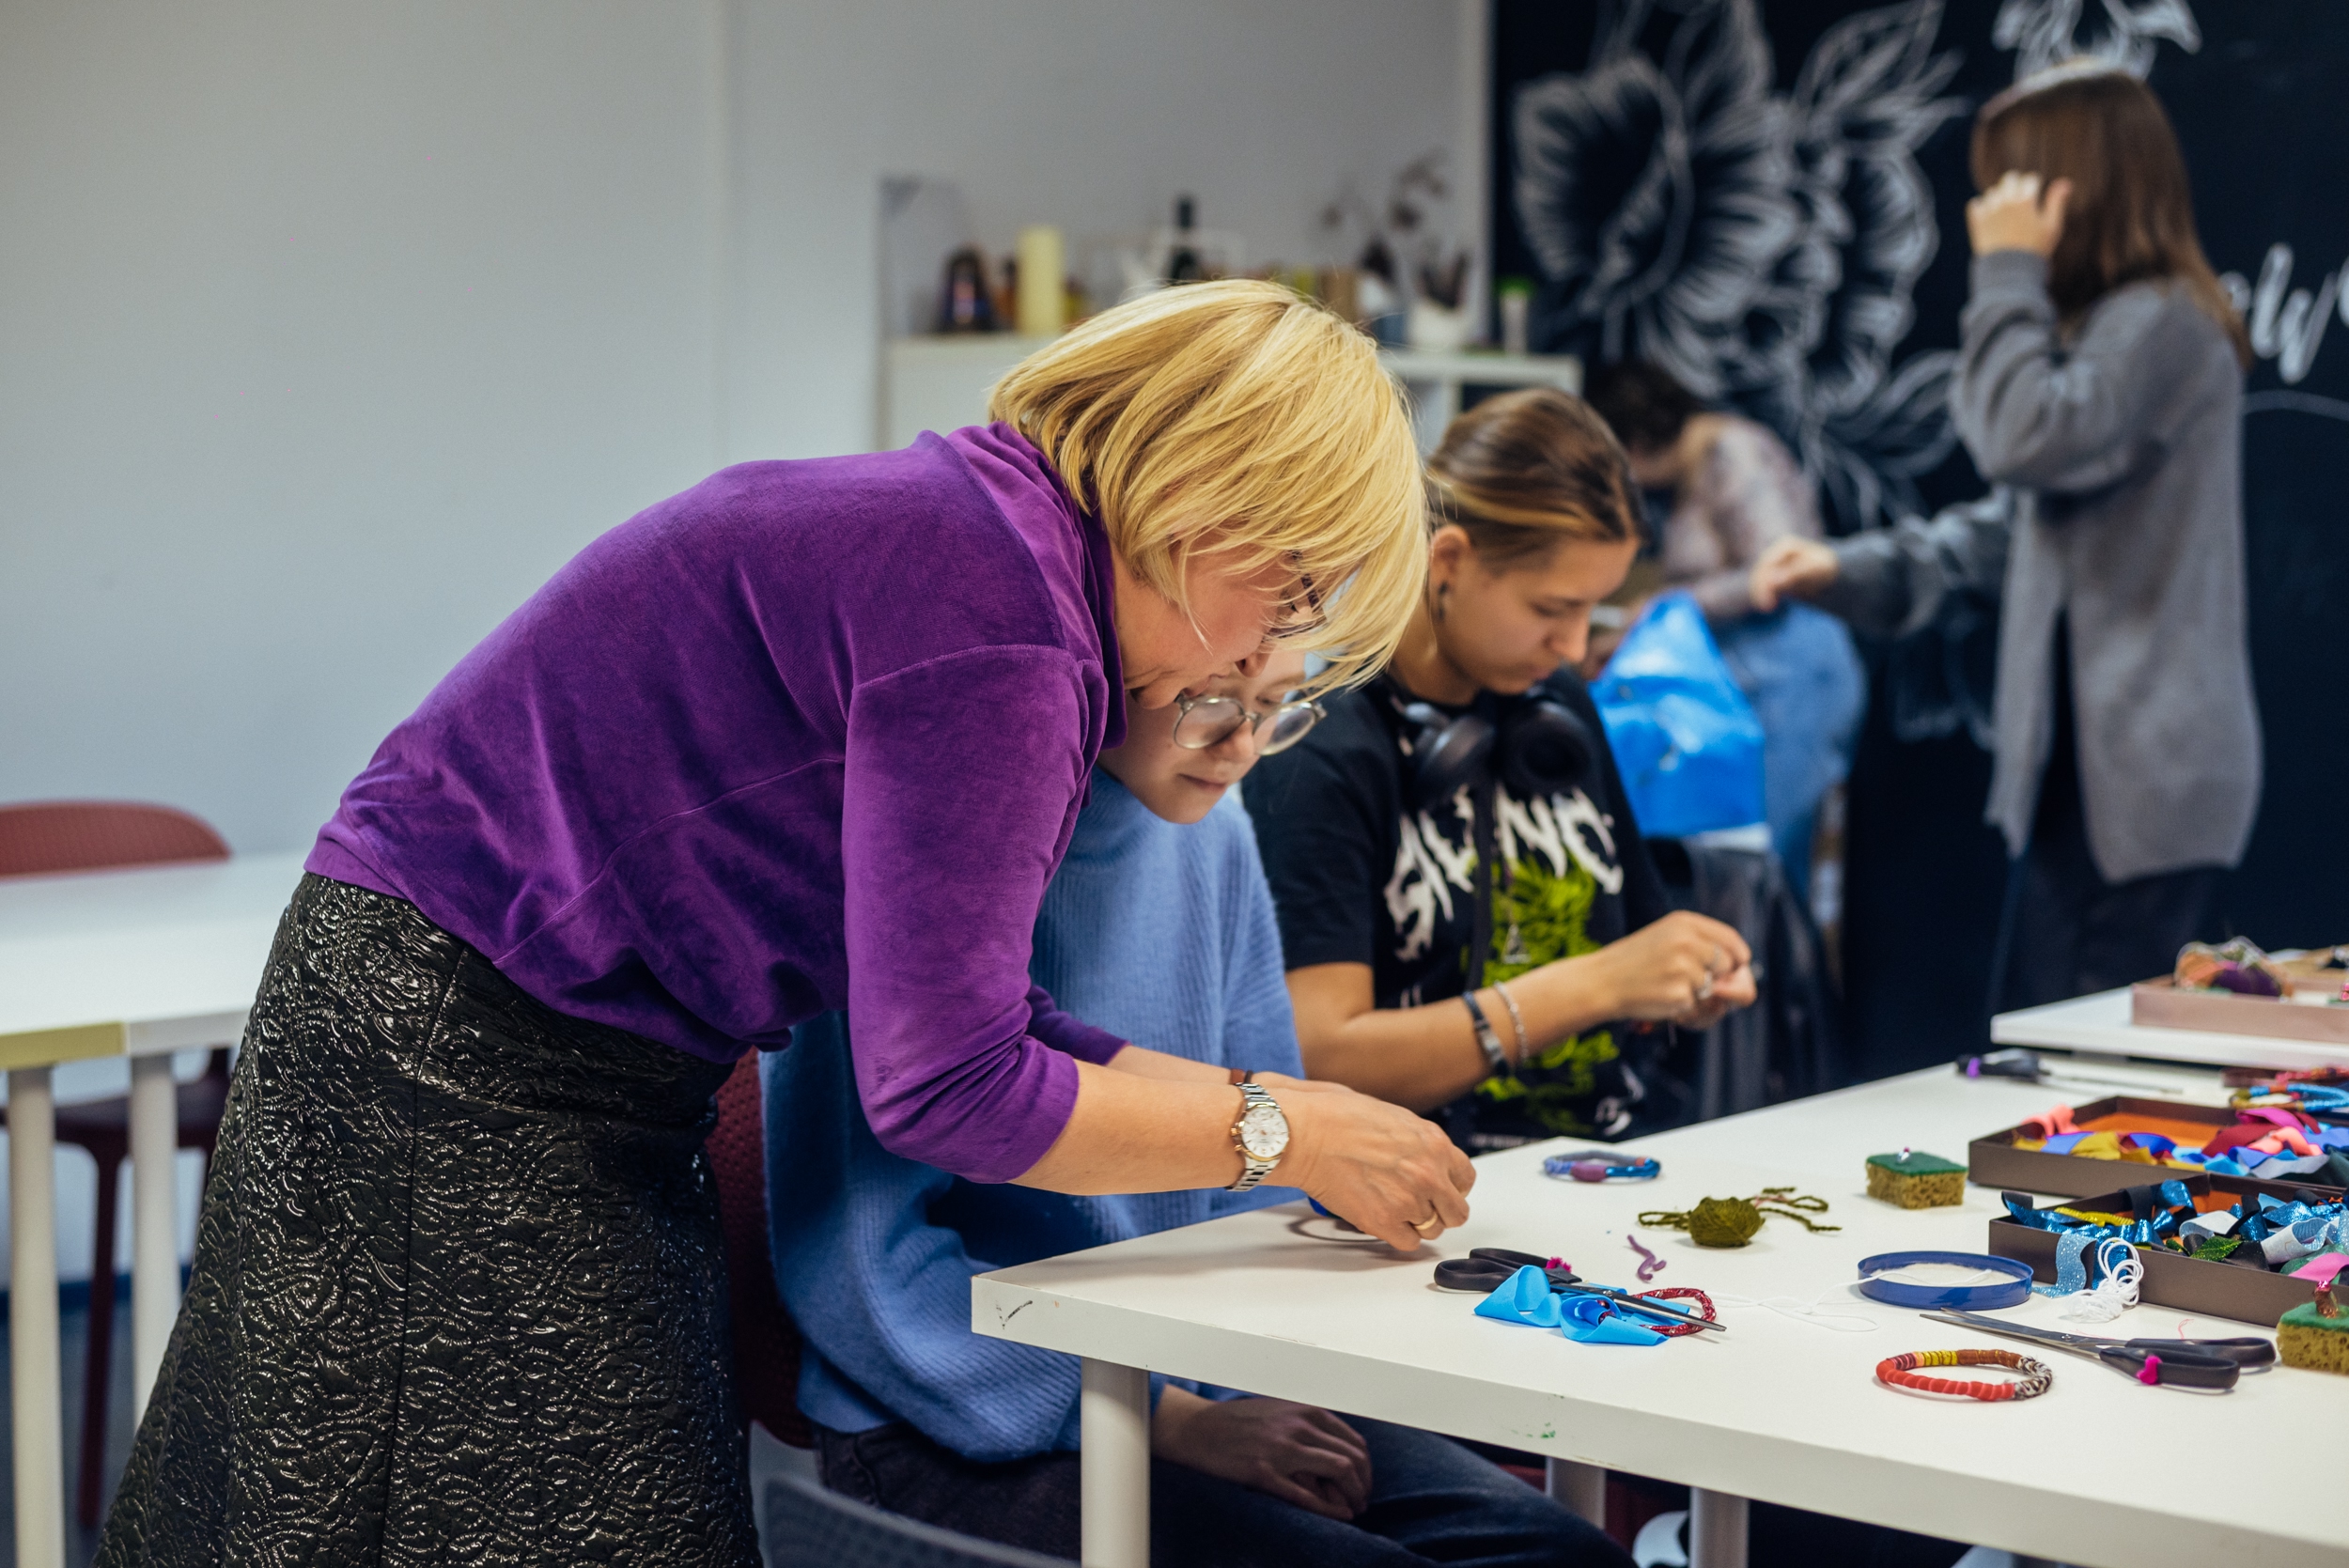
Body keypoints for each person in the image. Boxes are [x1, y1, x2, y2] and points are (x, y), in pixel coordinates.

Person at [98, 281, 1479, 1567]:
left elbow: (989, 1019)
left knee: (598, 1502)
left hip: (528, 1034)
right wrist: (1281, 1132)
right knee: (460, 1506)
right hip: (456, 1044)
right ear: (1204, 504)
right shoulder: (1009, 628)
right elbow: (951, 1089)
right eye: (1292, 593)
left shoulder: (1001, 548)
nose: (1271, 654)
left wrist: (1281, 1108)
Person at [766, 648, 1629, 1568]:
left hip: (1193, 1377)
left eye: (1276, 705)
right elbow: (858, 1274)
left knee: (1565, 1555)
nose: (1243, 746)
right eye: (1210, 701)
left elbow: (1262, 1175)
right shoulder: (927, 842)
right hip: (952, 1409)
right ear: (1101, 665)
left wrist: (1273, 1359)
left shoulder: (1214, 827)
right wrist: (1166, 1416)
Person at [1750, 62, 2258, 1012]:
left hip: (2142, 784)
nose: (1988, 212)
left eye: (2007, 187)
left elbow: (2021, 439)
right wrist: (1845, 570)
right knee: (2053, 1026)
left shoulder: (2161, 323)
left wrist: (2007, 273)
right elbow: (2014, 531)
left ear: (2070, 188)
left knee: (2083, 1046)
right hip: (2097, 781)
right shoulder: (2117, 328)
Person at [1245, 387, 1757, 1153]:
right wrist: (1599, 984)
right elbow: (1323, 1057)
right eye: (1551, 609)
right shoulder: (1323, 748)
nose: (1574, 645)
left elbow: (1638, 941)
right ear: (1449, 560)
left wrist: (1684, 977)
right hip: (1429, 1184)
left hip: (1607, 1159)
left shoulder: (1555, 706)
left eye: (1592, 610)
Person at [1584, 361, 1866, 899]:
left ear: (1631, 444)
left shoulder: (1734, 452)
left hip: (1793, 681)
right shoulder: (1696, 473)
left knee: (1765, 866)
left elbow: (1775, 574)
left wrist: (1658, 608)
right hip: (1754, 684)